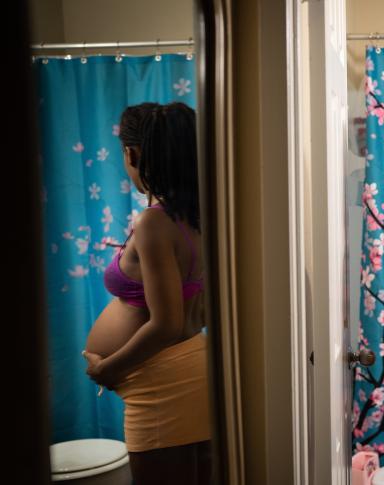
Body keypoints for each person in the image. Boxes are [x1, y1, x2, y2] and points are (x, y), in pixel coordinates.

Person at [81, 101, 212, 485]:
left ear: (132, 153)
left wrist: (109, 369)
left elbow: (167, 323)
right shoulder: (201, 215)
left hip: (161, 387)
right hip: (187, 371)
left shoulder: (155, 223)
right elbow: (197, 308)